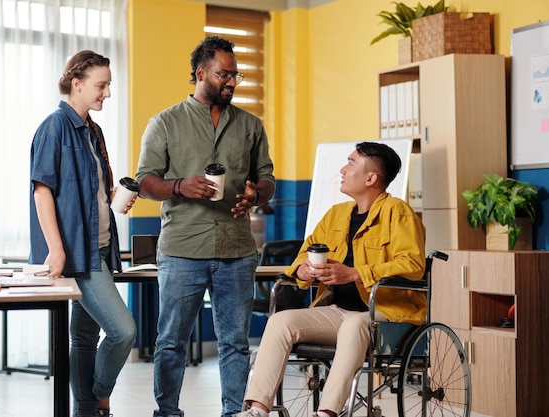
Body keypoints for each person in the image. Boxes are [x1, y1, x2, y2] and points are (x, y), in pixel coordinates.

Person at [135, 36, 275, 417]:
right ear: (201, 73)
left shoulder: (250, 125)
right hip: (182, 250)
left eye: (236, 75)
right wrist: (179, 186)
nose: (231, 81)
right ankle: (167, 412)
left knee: (235, 343)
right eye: (224, 74)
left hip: (237, 250)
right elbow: (145, 181)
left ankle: (234, 413)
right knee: (170, 342)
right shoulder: (164, 123)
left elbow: (266, 178)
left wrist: (256, 195)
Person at [237, 142, 426, 417]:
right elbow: (305, 253)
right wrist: (302, 271)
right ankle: (258, 409)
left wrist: (355, 273)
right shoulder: (336, 215)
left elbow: (412, 264)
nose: (342, 169)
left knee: (353, 326)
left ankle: (326, 413)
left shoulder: (398, 213)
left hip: (386, 314)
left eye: (350, 163)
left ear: (371, 178)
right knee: (280, 321)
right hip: (337, 312)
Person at [29, 50, 136, 417]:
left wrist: (115, 197)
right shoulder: (54, 127)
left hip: (102, 248)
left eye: (108, 85)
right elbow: (42, 189)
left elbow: (92, 191)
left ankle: (85, 410)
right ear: (77, 83)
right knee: (123, 331)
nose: (107, 93)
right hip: (79, 253)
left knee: (86, 336)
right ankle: (98, 397)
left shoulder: (93, 129)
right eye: (101, 85)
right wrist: (57, 250)